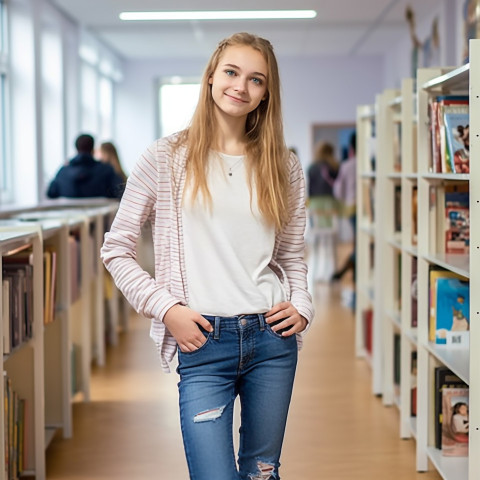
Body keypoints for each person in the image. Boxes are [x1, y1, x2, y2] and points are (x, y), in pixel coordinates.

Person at [100, 32, 314, 480]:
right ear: (211, 77)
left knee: (262, 473)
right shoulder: (164, 158)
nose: (241, 86)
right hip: (201, 341)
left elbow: (292, 256)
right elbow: (116, 248)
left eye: (257, 80)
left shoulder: (284, 166)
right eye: (232, 72)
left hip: (271, 340)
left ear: (266, 94)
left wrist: (304, 306)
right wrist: (167, 309)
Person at [47, 134, 124, 199]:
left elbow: (51, 193)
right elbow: (119, 193)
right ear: (93, 150)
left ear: (76, 149)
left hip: (68, 216)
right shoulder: (106, 170)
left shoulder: (63, 171)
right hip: (101, 216)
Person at [331, 132, 357, 283]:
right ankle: (352, 269)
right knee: (363, 243)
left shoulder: (347, 165)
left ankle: (347, 268)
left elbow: (338, 190)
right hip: (372, 210)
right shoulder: (373, 163)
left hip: (352, 207)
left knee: (358, 242)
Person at [307, 141, 339, 228]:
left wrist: (308, 202)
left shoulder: (311, 167)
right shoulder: (333, 167)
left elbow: (310, 187)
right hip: (328, 200)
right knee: (329, 228)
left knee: (316, 228)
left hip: (314, 201)